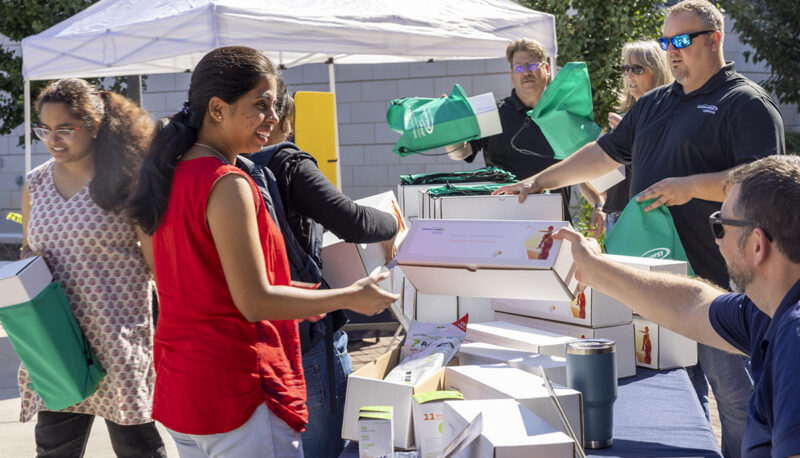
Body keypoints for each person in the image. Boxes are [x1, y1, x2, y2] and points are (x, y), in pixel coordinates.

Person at [494, 2, 785, 456]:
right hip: (658, 283)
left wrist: (690, 187)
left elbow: (762, 182)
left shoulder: (744, 103)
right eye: (666, 42)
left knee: (737, 404)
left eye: (682, 41)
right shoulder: (653, 104)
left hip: (721, 287)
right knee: (678, 399)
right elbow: (604, 154)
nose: (671, 52)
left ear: (715, 39)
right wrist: (539, 181)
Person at [129, 46, 397, 457]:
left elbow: (197, 287)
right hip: (237, 388)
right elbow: (254, 301)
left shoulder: (165, 177)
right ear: (217, 109)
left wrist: (307, 299)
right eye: (261, 105)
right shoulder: (227, 182)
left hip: (183, 385)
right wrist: (349, 296)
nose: (273, 117)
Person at [553, 155, 800, 457]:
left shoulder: (794, 335)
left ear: (757, 245)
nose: (717, 242)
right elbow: (692, 305)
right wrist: (594, 268)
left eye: (720, 226)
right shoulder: (770, 310)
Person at [241, 79, 399, 458]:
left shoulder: (217, 167)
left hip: (249, 345)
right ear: (284, 117)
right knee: (324, 449)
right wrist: (394, 222)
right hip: (304, 340)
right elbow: (353, 221)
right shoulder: (286, 162)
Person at [19, 78, 165, 457]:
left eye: (65, 129)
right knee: (54, 449)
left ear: (96, 126)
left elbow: (156, 264)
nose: (53, 139)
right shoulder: (35, 183)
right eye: (45, 130)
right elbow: (28, 253)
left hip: (118, 338)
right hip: (57, 343)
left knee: (137, 448)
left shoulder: (127, 181)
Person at [446, 38, 602, 220]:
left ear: (547, 70)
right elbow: (460, 153)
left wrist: (598, 204)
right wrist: (450, 129)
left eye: (532, 65)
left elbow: (583, 168)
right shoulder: (492, 113)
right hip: (504, 222)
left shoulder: (564, 116)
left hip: (555, 224)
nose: (526, 72)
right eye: (519, 67)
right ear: (511, 74)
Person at [592, 39, 673, 236]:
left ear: (657, 70)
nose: (628, 75)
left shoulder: (668, 114)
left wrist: (633, 139)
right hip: (615, 213)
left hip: (645, 214)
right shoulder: (626, 116)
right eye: (625, 68)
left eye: (637, 69)